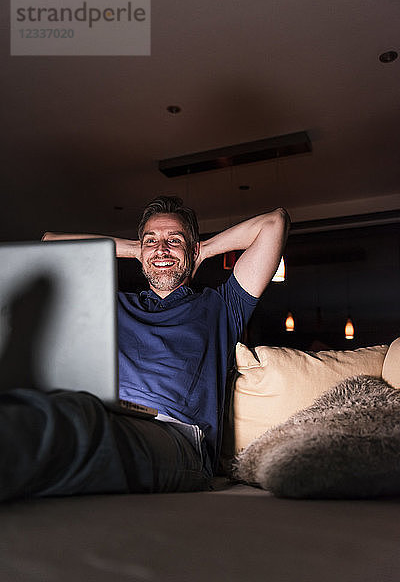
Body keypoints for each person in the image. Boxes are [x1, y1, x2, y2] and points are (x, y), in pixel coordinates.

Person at [0, 196, 289, 501]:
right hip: (105, 413)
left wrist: (200, 250)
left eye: (173, 240)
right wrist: (137, 249)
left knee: (80, 424)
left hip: (177, 437)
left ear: (192, 249)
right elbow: (51, 245)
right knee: (47, 410)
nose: (161, 249)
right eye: (151, 240)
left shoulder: (222, 305)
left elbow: (275, 222)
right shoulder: (116, 304)